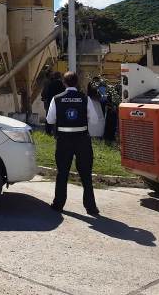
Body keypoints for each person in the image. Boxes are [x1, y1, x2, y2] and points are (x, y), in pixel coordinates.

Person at [46, 71, 100, 216]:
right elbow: (94, 120)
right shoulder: (85, 98)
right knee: (86, 175)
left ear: (64, 83)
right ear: (77, 83)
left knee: (62, 173)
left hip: (63, 141)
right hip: (82, 140)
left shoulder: (57, 99)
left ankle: (58, 205)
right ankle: (91, 208)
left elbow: (50, 120)